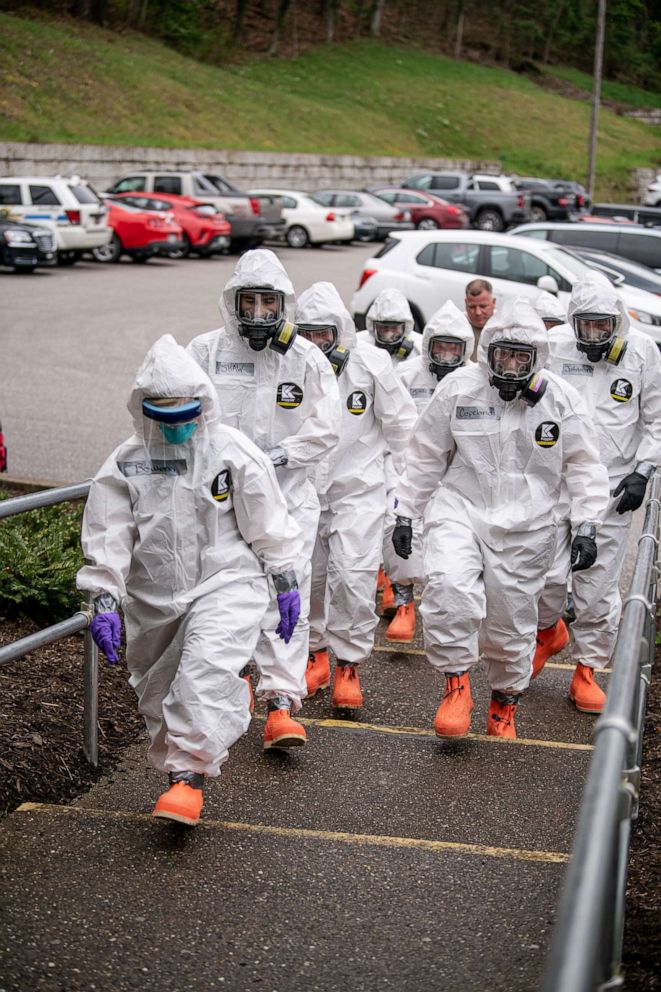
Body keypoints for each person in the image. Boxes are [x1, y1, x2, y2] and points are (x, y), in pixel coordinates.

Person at [77, 335, 304, 827]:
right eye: (166, 417)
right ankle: (195, 741)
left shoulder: (230, 451)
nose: (179, 428)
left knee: (200, 678)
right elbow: (108, 532)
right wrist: (102, 595)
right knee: (158, 694)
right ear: (143, 410)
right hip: (153, 595)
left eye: (187, 415)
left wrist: (283, 575)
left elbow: (267, 519)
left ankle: (187, 781)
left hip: (226, 580)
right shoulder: (128, 461)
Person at [392, 299, 609, 739]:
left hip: (529, 526)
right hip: (462, 508)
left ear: (537, 360)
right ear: (487, 351)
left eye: (521, 357)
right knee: (449, 589)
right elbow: (425, 456)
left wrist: (587, 524)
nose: (510, 366)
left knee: (510, 621)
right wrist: (406, 513)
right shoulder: (458, 390)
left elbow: (585, 464)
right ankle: (456, 687)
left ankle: (503, 704)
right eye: (503, 355)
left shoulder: (559, 400)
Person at [187, 249, 341, 746]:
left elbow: (327, 425)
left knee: (287, 599)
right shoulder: (206, 351)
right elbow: (184, 415)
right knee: (224, 599)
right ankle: (232, 686)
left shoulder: (305, 358)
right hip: (224, 505)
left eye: (268, 303)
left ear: (284, 305)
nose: (257, 314)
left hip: (289, 498)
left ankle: (280, 702)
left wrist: (279, 456)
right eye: (248, 302)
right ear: (231, 302)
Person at [534, 274, 661, 712]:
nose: (593, 336)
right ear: (572, 322)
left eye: (601, 327)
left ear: (617, 324)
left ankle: (587, 669)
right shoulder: (554, 348)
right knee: (544, 576)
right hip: (556, 483)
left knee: (597, 585)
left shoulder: (643, 353)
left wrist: (643, 470)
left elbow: (657, 419)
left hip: (612, 488)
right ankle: (547, 631)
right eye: (585, 326)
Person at [295, 282, 417, 707]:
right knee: (307, 578)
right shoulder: (287, 365)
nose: (315, 344)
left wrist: (406, 502)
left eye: (323, 335)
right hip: (304, 490)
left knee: (352, 576)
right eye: (307, 334)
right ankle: (315, 655)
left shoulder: (370, 363)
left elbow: (403, 431)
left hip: (358, 489)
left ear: (340, 332)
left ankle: (348, 664)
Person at [381, 301, 475, 643]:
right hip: (409, 470)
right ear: (428, 346)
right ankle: (404, 604)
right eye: (441, 347)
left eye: (455, 349)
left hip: (457, 480)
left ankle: (444, 614)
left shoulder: (476, 382)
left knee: (449, 551)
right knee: (398, 533)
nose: (447, 356)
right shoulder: (406, 376)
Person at [359, 288, 421, 362]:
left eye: (394, 328)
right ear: (372, 326)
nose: (388, 335)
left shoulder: (419, 348)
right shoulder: (360, 344)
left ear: (406, 327)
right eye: (384, 328)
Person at [464, 278, 496, 359]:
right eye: (472, 307)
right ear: (466, 303)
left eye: (483, 306)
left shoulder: (504, 328)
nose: (478, 312)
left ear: (494, 302)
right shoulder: (457, 327)